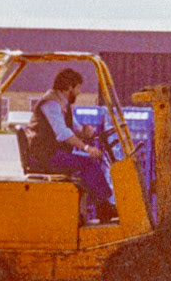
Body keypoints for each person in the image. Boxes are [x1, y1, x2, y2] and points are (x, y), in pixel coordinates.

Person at [25, 68, 117, 223]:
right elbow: (62, 133)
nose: (79, 92)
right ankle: (104, 208)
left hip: (51, 153)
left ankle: (104, 206)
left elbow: (74, 128)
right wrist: (87, 148)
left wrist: (86, 131)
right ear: (69, 87)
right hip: (45, 156)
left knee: (89, 162)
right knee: (87, 162)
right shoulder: (51, 103)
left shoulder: (62, 104)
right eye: (78, 88)